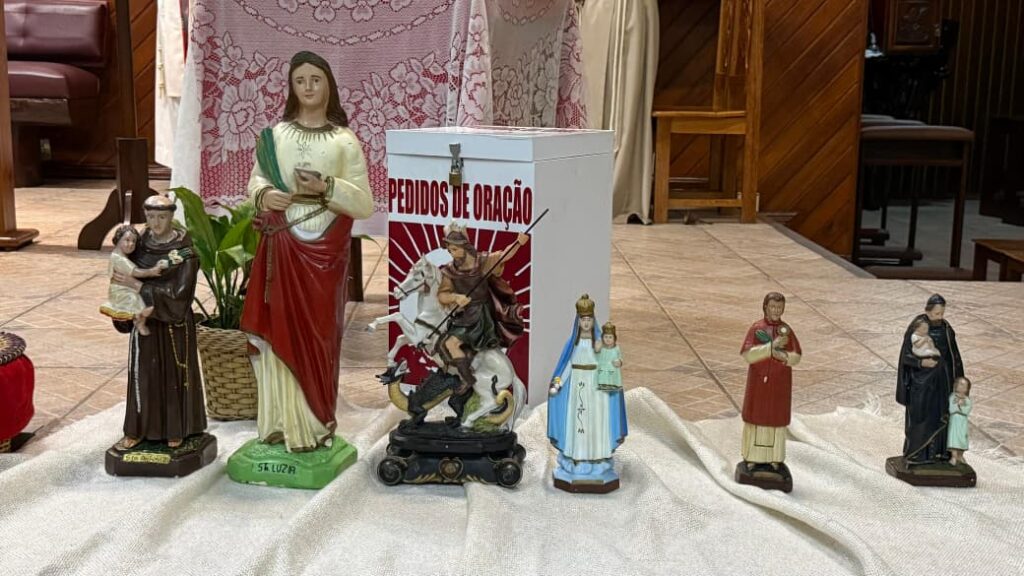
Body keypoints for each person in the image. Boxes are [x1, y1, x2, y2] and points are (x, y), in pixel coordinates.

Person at [240, 51, 373, 453]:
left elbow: (363, 203)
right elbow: (256, 182)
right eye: (301, 80)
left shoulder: (343, 141)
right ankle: (280, 423)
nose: (309, 87)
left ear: (329, 85)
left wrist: (326, 187)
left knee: (318, 334)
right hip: (281, 243)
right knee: (278, 325)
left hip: (324, 251)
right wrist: (266, 195)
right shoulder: (276, 136)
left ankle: (314, 425)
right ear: (291, 87)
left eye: (316, 79)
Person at [109, 195, 206, 450]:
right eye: (151, 217)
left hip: (173, 327)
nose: (156, 223)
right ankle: (138, 429)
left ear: (172, 216)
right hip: (145, 325)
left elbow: (179, 296)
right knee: (143, 376)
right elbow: (120, 277)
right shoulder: (137, 246)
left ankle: (177, 428)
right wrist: (121, 302)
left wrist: (139, 286)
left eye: (162, 217)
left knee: (173, 377)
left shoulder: (185, 254)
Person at [434, 221, 527, 394]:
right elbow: (442, 295)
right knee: (443, 343)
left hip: (481, 316)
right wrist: (455, 297)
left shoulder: (482, 262)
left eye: (454, 249)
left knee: (451, 344)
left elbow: (503, 256)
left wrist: (518, 243)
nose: (452, 254)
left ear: (465, 246)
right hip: (465, 314)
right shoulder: (450, 271)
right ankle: (462, 373)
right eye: (450, 250)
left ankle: (468, 380)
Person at [547, 295, 628, 488]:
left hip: (596, 389)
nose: (586, 323)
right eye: (583, 319)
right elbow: (567, 366)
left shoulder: (599, 344)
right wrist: (558, 383)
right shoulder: (573, 344)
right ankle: (577, 458)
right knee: (578, 422)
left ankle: (597, 459)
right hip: (578, 387)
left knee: (596, 423)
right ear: (578, 321)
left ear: (593, 320)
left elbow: (608, 360)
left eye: (589, 319)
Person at [896, 294, 965, 465]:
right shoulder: (917, 328)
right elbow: (905, 357)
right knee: (921, 417)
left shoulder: (946, 329)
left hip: (942, 382)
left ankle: (940, 454)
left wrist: (959, 379)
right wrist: (921, 363)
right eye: (936, 314)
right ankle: (917, 454)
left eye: (942, 313)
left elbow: (954, 356)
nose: (939, 317)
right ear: (927, 311)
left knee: (942, 415)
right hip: (922, 383)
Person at [739, 292, 802, 471]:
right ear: (765, 307)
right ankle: (752, 456)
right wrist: (770, 348)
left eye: (779, 307)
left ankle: (775, 457)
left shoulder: (786, 330)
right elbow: (748, 354)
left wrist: (784, 356)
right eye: (773, 306)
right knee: (756, 417)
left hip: (780, 382)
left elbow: (796, 356)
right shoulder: (757, 328)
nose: (776, 310)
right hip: (759, 382)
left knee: (776, 417)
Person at [100, 224, 169, 335]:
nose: (131, 244)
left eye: (134, 241)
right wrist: (152, 271)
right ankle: (140, 321)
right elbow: (136, 272)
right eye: (127, 240)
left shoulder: (119, 255)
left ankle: (140, 320)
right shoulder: (119, 259)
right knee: (136, 300)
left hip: (124, 288)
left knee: (140, 301)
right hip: (121, 291)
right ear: (118, 240)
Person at [947, 377, 972, 466]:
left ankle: (960, 456)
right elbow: (951, 408)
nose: (962, 387)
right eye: (960, 384)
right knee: (954, 438)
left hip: (962, 422)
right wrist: (958, 405)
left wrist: (961, 407)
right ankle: (953, 456)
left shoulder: (967, 399)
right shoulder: (953, 397)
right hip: (954, 421)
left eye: (964, 385)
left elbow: (967, 410)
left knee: (962, 438)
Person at [595, 322, 622, 392]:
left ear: (614, 338)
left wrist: (619, 362)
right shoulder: (601, 348)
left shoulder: (616, 348)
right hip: (602, 369)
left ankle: (613, 385)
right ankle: (602, 385)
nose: (608, 339)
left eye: (610, 337)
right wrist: (597, 348)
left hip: (612, 370)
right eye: (606, 337)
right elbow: (596, 355)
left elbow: (620, 358)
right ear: (602, 338)